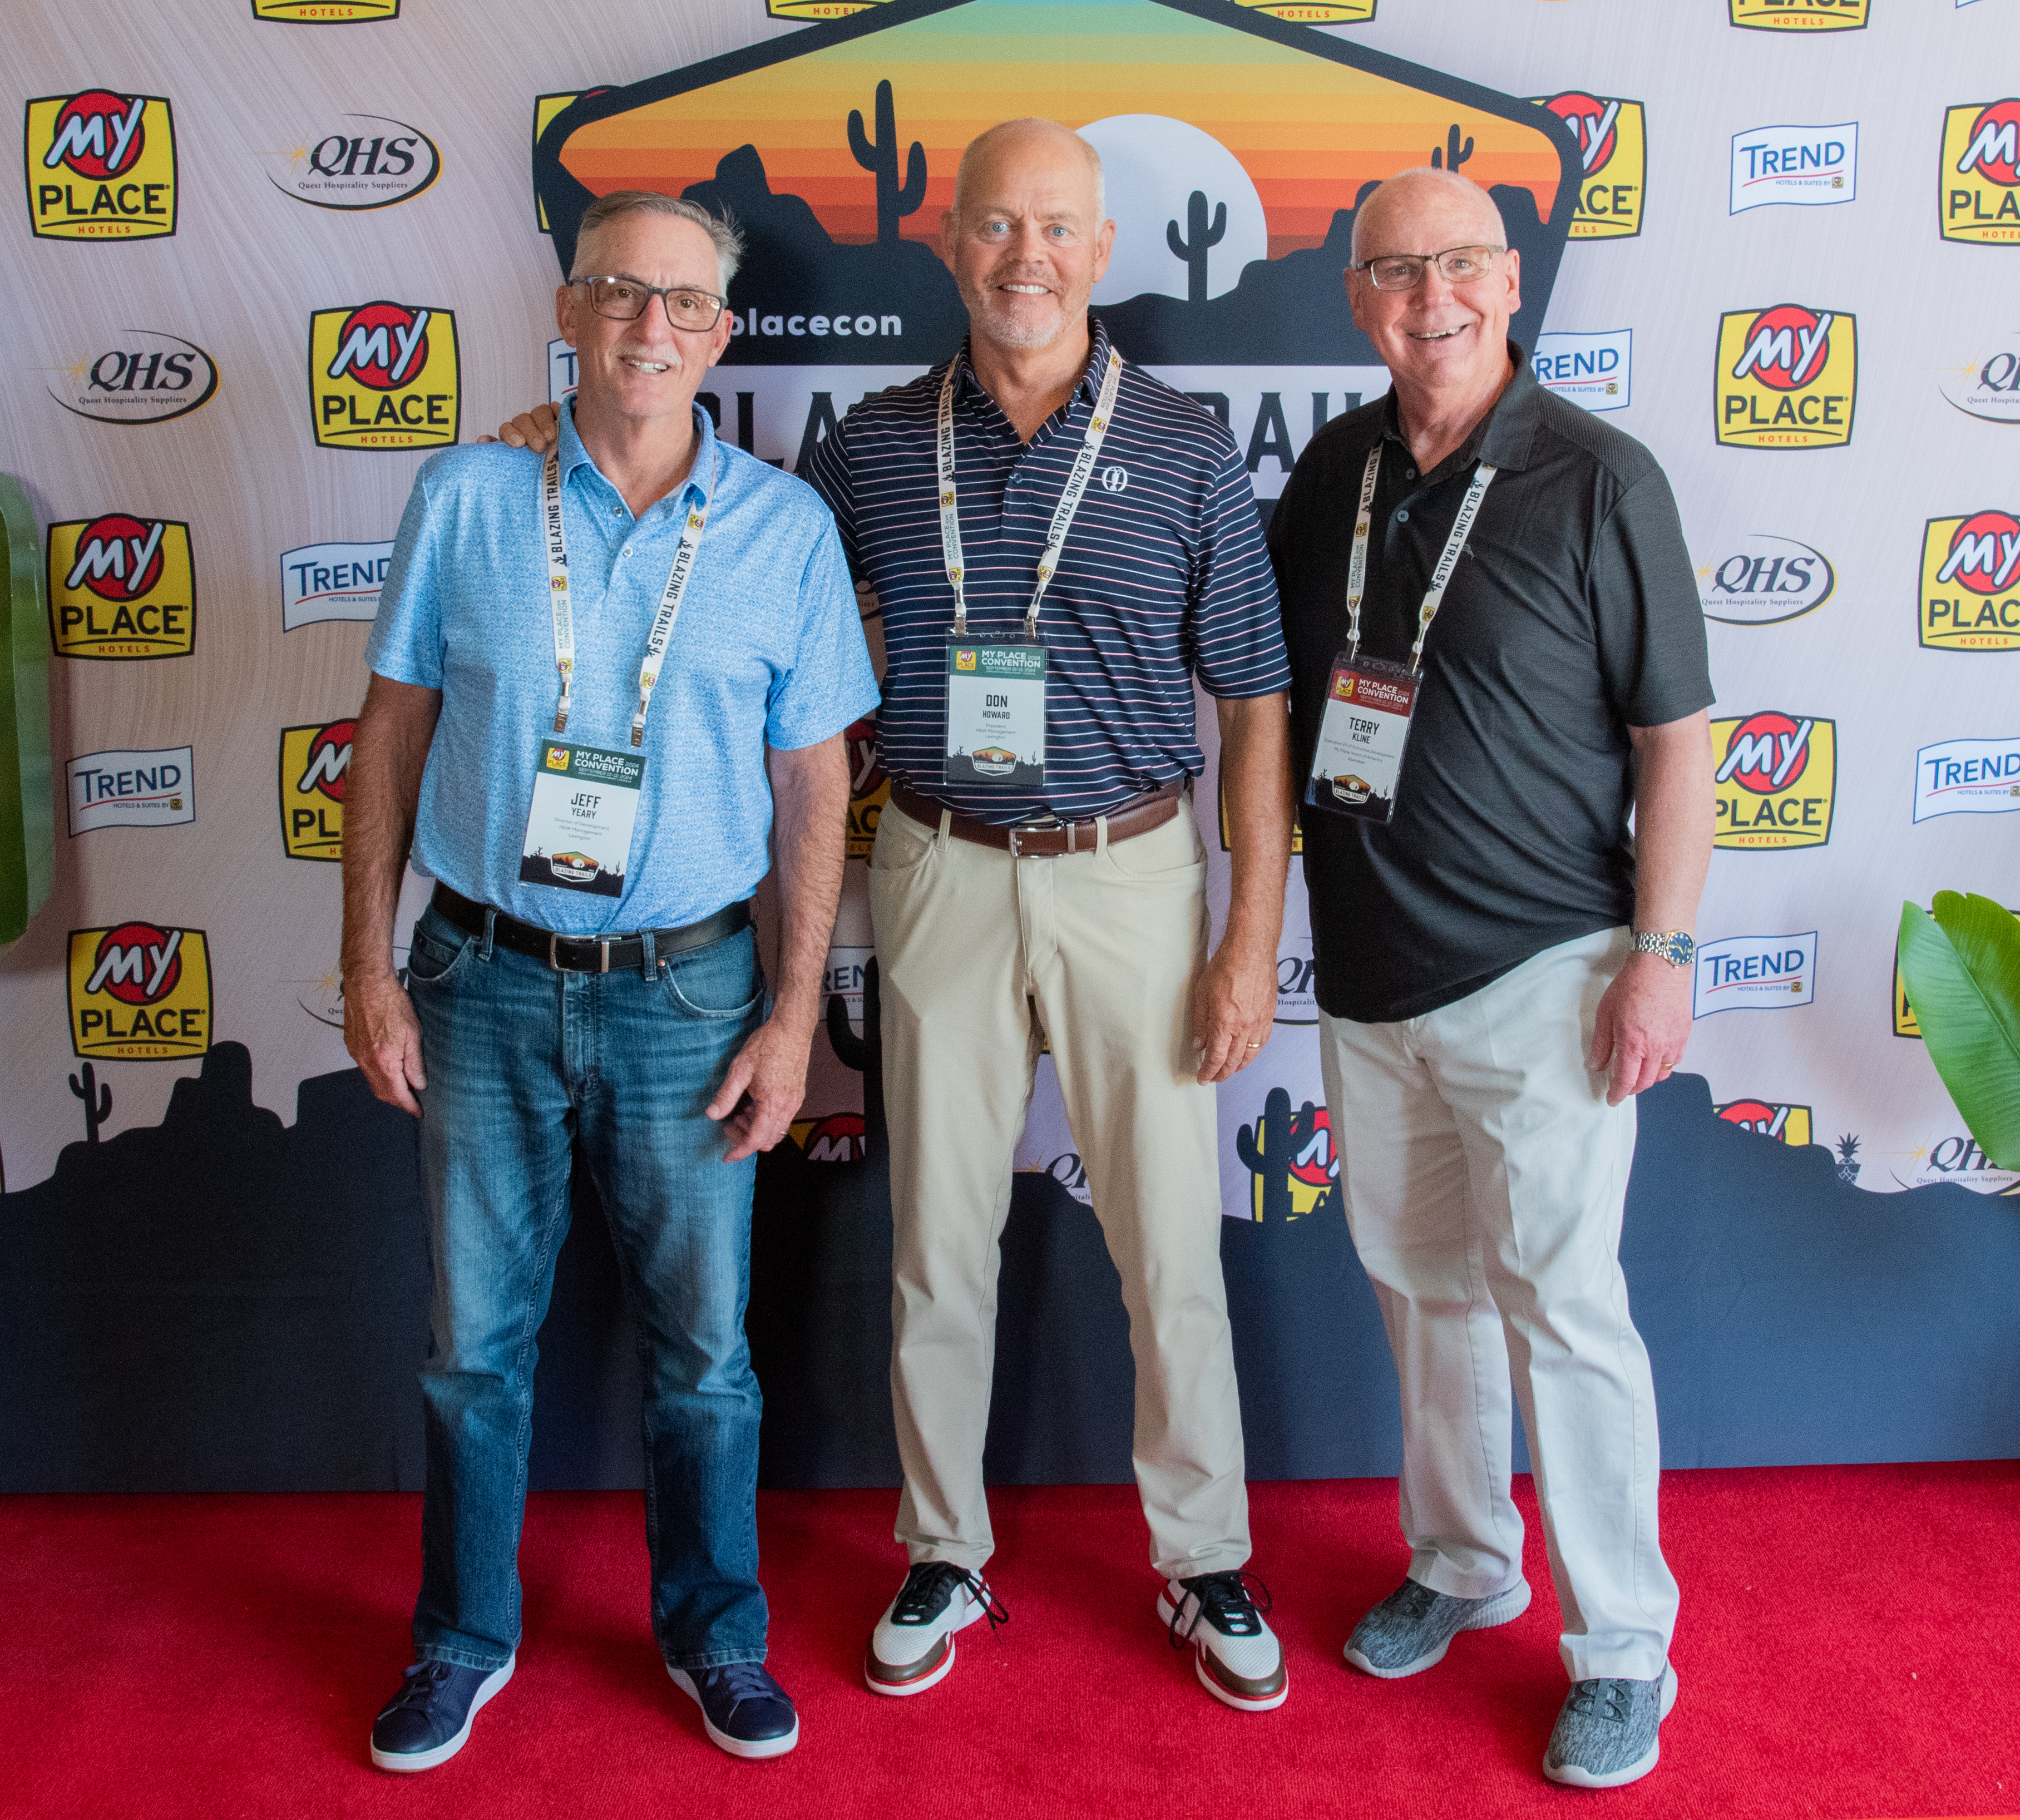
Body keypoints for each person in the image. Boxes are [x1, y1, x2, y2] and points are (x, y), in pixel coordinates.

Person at [500, 118, 1299, 1713]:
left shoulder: (1194, 445)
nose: (1027, 257)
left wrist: (1244, 936)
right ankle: (945, 1548)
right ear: (951, 246)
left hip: (1135, 865)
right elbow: (739, 591)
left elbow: (1259, 709)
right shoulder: (868, 447)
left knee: (1166, 1247)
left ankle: (1203, 1562)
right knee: (938, 1240)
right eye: (997, 226)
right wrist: (543, 444)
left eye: (1057, 228)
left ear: (1102, 250)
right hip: (933, 860)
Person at [343, 190, 877, 1772]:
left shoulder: (784, 530)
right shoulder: (465, 494)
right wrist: (364, 963)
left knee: (705, 1355)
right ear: (568, 312)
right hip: (482, 978)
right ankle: (459, 1639)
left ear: (722, 334)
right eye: (618, 293)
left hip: (694, 996)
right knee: (470, 1349)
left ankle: (718, 1637)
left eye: (685, 304)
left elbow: (813, 791)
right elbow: (387, 740)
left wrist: (793, 1016)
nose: (651, 326)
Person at [1266, 167, 1713, 1790]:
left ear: (1509, 282)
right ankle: (1462, 1564)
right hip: (1370, 979)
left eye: (1457, 265)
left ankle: (1620, 1651)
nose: (1428, 298)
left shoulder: (1601, 479)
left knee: (1564, 1312)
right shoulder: (1333, 468)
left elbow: (1677, 744)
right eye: (1394, 270)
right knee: (1421, 1291)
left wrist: (1657, 960)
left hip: (1548, 974)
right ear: (1358, 295)